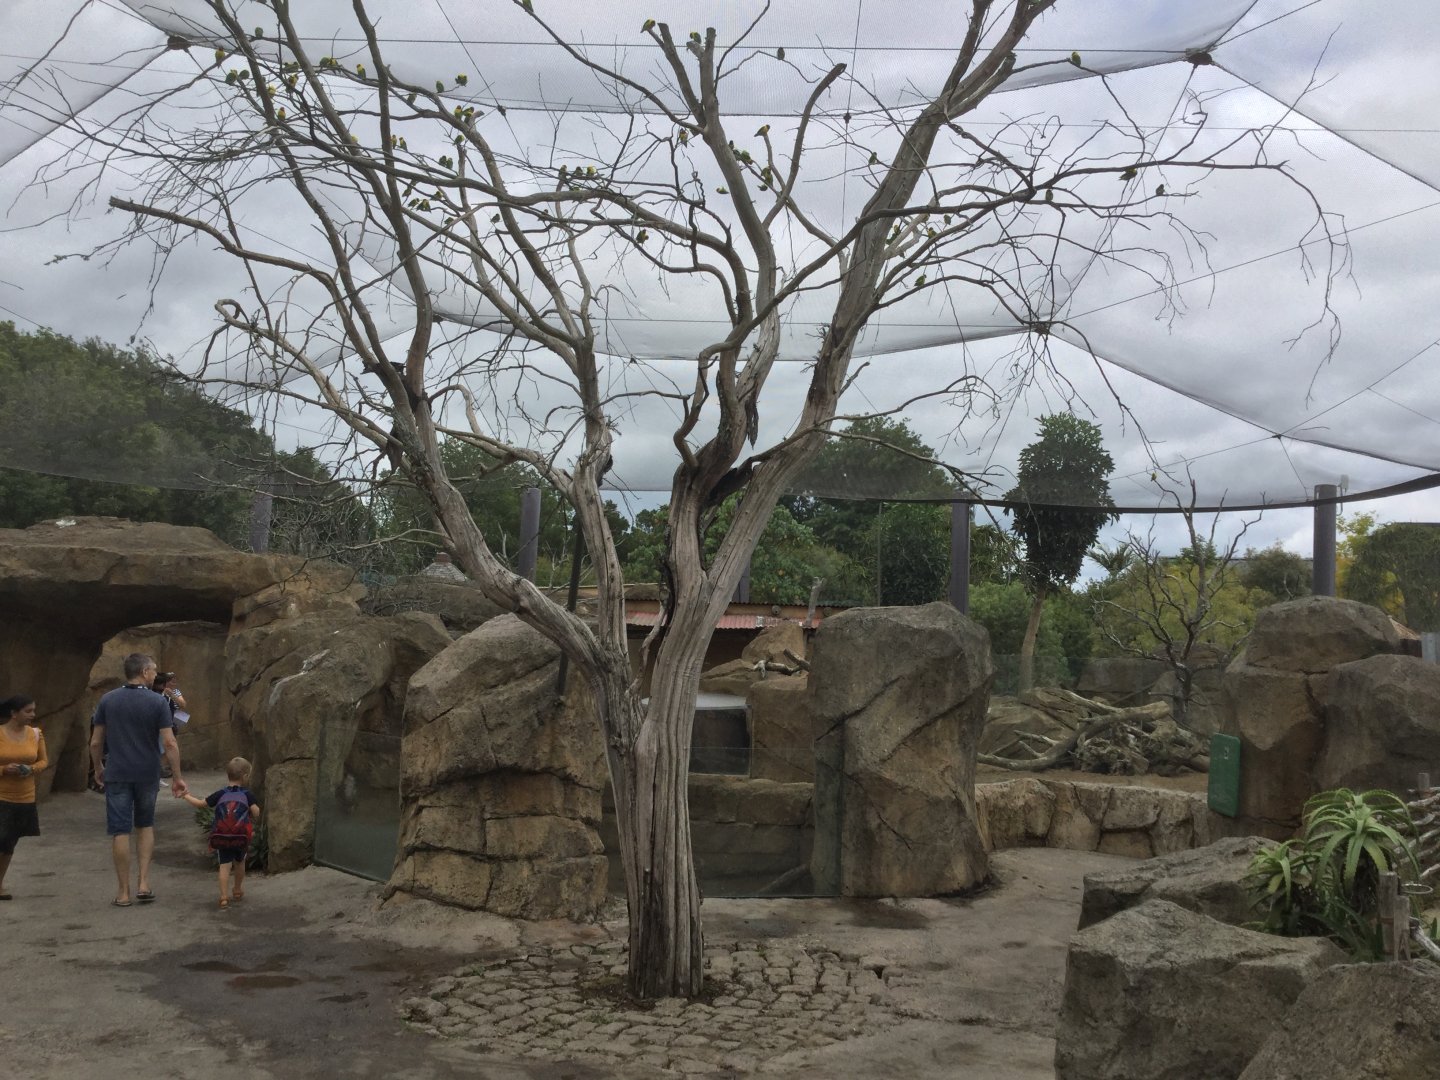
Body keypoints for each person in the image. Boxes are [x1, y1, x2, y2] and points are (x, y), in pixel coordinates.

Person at [90, 653, 188, 907]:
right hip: (147, 772)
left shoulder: (108, 699)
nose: (155, 675)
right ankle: (143, 883)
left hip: (117, 772)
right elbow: (169, 742)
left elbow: (96, 741)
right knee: (145, 824)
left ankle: (123, 892)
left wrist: (98, 767)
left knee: (120, 830)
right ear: (144, 672)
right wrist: (177, 777)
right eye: (153, 670)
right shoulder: (157, 702)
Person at [178, 757, 261, 910]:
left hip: (222, 837)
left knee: (224, 866)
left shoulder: (221, 793)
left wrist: (186, 795)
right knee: (240, 863)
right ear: (245, 776)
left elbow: (200, 804)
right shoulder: (247, 794)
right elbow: (256, 812)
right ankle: (237, 890)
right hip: (241, 837)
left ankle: (223, 897)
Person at [0, 695, 46, 901]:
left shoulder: (35, 734)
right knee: (1, 839)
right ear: (13, 713)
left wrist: (31, 769)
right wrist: (3, 769)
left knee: (10, 843)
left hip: (25, 796)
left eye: (33, 710)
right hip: (2, 795)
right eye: (28, 711)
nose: (32, 715)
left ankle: (0, 884)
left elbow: (43, 761)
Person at [151, 672, 189, 778]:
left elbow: (183, 704)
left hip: (172, 721)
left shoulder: (175, 692)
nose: (174, 683)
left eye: (175, 681)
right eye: (171, 681)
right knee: (162, 745)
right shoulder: (155, 693)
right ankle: (159, 770)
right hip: (158, 724)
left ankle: (161, 769)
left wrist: (171, 695)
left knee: (168, 745)